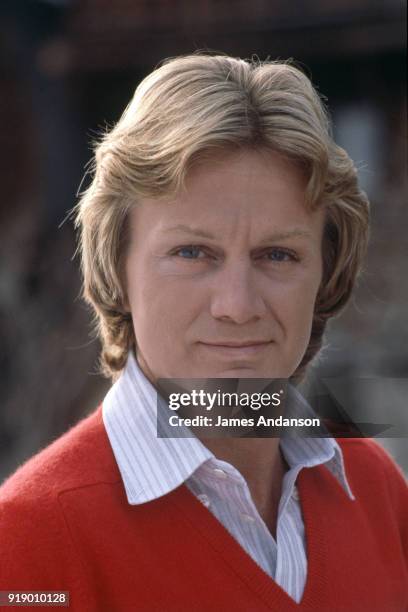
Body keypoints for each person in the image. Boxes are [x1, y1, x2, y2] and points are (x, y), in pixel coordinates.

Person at [0, 53, 407, 612]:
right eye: (192, 252)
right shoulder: (30, 539)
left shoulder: (377, 492)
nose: (237, 306)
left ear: (326, 273)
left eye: (278, 255)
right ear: (116, 264)